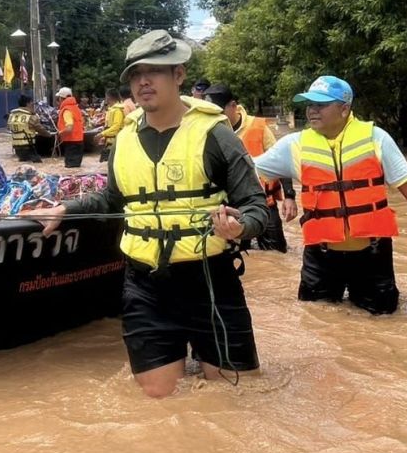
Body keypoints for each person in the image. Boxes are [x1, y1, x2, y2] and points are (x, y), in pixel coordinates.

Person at [29, 31, 268, 398]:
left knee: (237, 396)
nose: (143, 81)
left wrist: (240, 227)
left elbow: (256, 206)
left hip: (210, 282)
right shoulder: (123, 138)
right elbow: (113, 199)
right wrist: (65, 209)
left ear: (179, 75)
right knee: (158, 399)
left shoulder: (216, 134)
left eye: (154, 71)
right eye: (135, 74)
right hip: (145, 286)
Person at [255, 75, 407, 314]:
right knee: (316, 319)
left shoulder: (376, 138)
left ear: (344, 109)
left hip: (372, 255)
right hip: (321, 256)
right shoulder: (294, 145)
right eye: (309, 104)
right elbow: (247, 169)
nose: (312, 110)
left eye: (321, 104)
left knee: (382, 320)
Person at [205, 84, 292, 252]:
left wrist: (289, 196)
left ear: (233, 106)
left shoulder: (258, 127)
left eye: (218, 112)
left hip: (264, 203)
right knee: (238, 254)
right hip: (230, 208)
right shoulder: (206, 132)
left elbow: (281, 160)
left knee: (276, 254)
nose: (213, 117)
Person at [56, 86, 85, 169]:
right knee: (75, 168)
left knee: (70, 168)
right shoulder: (76, 108)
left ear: (61, 98)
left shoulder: (67, 110)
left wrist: (60, 133)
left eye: (58, 99)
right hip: (79, 141)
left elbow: (69, 128)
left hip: (71, 143)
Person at [8, 93, 42, 163]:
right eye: (32, 103)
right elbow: (40, 129)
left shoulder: (11, 116)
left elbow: (9, 128)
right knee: (37, 165)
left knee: (22, 165)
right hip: (29, 148)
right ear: (28, 104)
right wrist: (48, 135)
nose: (33, 105)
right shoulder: (30, 116)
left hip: (17, 150)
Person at [99, 87, 125, 163]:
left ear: (109, 97)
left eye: (106, 97)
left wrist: (102, 134)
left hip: (116, 140)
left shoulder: (117, 110)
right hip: (110, 140)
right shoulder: (111, 109)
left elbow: (116, 126)